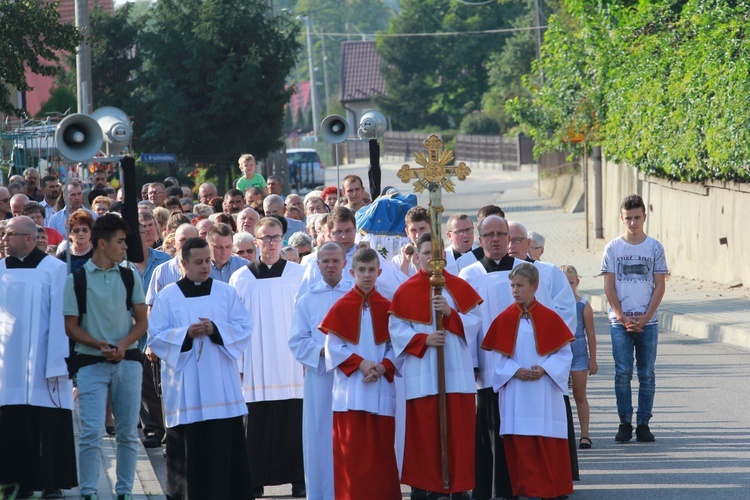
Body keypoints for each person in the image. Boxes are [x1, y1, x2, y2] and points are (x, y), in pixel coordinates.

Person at [148, 237, 253, 499]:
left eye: (208, 260)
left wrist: (216, 329)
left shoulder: (225, 292)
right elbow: (155, 337)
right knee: (190, 451)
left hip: (221, 387)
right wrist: (186, 334)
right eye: (199, 262)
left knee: (223, 449)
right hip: (186, 389)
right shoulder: (168, 295)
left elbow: (244, 328)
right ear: (183, 263)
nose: (206, 266)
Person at [389, 233, 482, 498]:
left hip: (456, 376)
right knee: (425, 436)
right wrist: (424, 339)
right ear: (417, 256)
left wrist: (451, 314)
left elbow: (475, 323)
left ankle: (459, 487)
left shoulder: (458, 287)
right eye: (427, 253)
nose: (433, 259)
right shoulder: (405, 291)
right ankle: (424, 486)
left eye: (437, 253)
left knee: (458, 435)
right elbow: (396, 330)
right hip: (423, 377)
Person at [63, 214, 148, 500]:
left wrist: (123, 344)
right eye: (121, 242)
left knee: (127, 433)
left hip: (128, 363)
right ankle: (88, 491)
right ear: (103, 244)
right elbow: (71, 326)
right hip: (90, 365)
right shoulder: (76, 279)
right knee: (90, 433)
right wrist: (99, 345)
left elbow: (142, 321)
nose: (125, 248)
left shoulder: (129, 275)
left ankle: (124, 491)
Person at [480, 263, 574, 499]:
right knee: (521, 442)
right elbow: (497, 359)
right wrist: (514, 371)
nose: (515, 290)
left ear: (534, 287)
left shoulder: (550, 317)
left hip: (544, 389)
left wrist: (544, 369)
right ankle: (524, 488)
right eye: (512, 286)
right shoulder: (503, 319)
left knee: (547, 439)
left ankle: (550, 488)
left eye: (520, 286)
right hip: (517, 391)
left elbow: (564, 354)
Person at [0, 216, 77, 499]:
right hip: (7, 365)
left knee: (47, 420)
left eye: (10, 234)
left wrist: (58, 361)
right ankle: (15, 481)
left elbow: (62, 317)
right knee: (11, 421)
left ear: (30, 239)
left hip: (45, 361)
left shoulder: (55, 270)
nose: (4, 239)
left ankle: (50, 481)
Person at [229, 217, 306, 498]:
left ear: (283, 239)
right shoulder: (241, 278)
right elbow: (235, 324)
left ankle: (298, 478)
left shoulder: (298, 274)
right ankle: (254, 479)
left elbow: (306, 318)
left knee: (293, 421)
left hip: (291, 361)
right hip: (255, 361)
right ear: (256, 241)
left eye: (276, 237)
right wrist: (238, 363)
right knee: (256, 424)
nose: (271, 243)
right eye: (266, 238)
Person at [319, 247, 401, 500]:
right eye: (362, 270)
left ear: (379, 272)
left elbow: (396, 345)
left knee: (381, 451)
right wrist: (361, 364)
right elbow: (332, 346)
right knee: (352, 454)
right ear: (352, 272)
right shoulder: (342, 306)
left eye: (372, 270)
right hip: (350, 390)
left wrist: (383, 366)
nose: (367, 275)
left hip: (381, 387)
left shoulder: (388, 307)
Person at [458, 215, 526, 500]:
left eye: (501, 234)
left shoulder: (526, 270)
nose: (496, 239)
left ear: (509, 238)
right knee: (489, 427)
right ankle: (488, 488)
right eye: (490, 235)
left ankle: (521, 485)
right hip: (486, 364)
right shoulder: (469, 275)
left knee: (518, 427)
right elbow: (465, 322)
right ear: (480, 238)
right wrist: (472, 362)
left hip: (521, 362)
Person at [288, 241, 352, 500]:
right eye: (325, 261)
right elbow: (296, 341)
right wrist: (324, 351)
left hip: (351, 376)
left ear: (345, 264)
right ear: (317, 265)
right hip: (321, 377)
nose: (331, 265)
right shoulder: (307, 299)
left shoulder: (355, 295)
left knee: (350, 437)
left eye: (335, 260)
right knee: (320, 436)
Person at [602, 194, 667, 443]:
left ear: (644, 217)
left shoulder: (654, 247)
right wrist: (621, 316)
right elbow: (609, 285)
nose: (632, 223)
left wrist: (646, 316)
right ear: (621, 218)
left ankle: (643, 424)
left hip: (647, 322)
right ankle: (624, 422)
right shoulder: (613, 248)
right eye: (628, 218)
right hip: (620, 322)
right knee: (622, 373)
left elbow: (659, 285)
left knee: (646, 373)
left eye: (637, 218)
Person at [129, 211, 171, 449]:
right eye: (139, 228)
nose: (143, 231)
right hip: (134, 333)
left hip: (160, 329)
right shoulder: (123, 264)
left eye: (147, 226)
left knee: (161, 382)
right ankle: (152, 429)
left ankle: (167, 425)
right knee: (145, 385)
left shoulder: (164, 260)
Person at [561, 264, 598, 449]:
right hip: (559, 350)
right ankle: (560, 434)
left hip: (578, 351)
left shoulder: (583, 305)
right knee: (558, 395)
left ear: (577, 283)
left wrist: (593, 359)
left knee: (579, 394)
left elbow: (591, 333)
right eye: (564, 282)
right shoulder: (553, 303)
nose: (568, 287)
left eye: (571, 283)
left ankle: (585, 435)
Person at [393, 206, 430, 277]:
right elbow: (399, 286)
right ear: (407, 232)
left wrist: (417, 265)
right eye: (413, 230)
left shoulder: (441, 257)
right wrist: (405, 262)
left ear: (431, 228)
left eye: (422, 228)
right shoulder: (398, 260)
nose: (418, 235)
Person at [57, 209, 95, 273]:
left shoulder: (98, 254)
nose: (81, 233)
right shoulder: (62, 257)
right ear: (69, 234)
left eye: (85, 230)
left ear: (91, 232)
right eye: (76, 230)